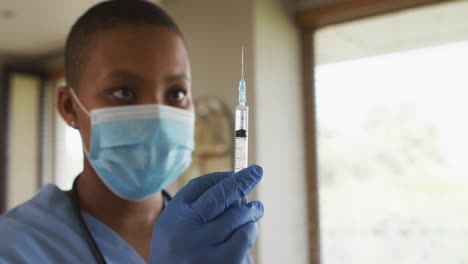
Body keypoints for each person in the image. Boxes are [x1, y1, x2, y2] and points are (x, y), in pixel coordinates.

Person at [0, 0, 264, 263]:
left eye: (177, 93)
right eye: (124, 92)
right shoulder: (15, 247)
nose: (158, 116)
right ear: (69, 106)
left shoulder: (213, 241)